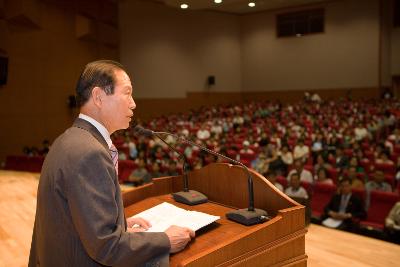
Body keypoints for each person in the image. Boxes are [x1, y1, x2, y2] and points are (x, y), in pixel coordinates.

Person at [29, 60, 194, 267]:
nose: (133, 103)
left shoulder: (68, 140)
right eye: (127, 93)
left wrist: (120, 224)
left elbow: (76, 219)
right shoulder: (89, 153)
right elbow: (105, 247)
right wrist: (165, 240)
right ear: (98, 97)